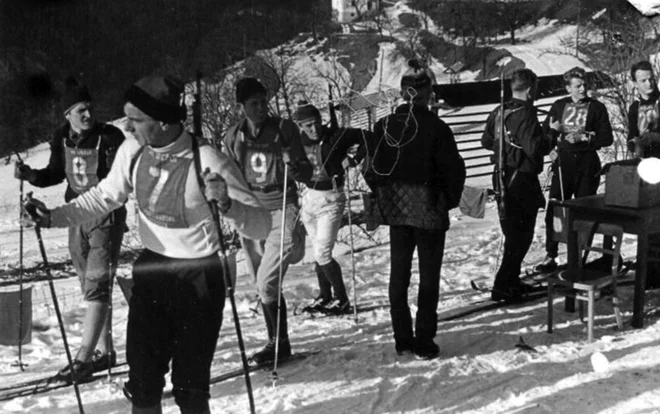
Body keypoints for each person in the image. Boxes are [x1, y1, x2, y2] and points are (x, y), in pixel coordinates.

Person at [23, 75, 271, 414]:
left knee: (190, 388)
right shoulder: (133, 149)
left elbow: (261, 224)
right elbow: (103, 197)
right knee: (142, 383)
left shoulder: (208, 160)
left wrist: (228, 205)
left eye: (136, 119)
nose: (127, 125)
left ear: (164, 121)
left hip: (199, 278)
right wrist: (51, 217)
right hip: (153, 272)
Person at [15, 76, 126, 381]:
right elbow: (54, 172)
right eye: (81, 111)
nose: (88, 115)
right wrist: (31, 176)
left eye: (90, 108)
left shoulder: (111, 137)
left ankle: (85, 358)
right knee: (87, 285)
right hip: (75, 216)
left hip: (105, 215)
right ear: (67, 115)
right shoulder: (61, 137)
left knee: (97, 283)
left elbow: (122, 178)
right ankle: (106, 351)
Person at [364, 66, 465, 359]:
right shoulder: (437, 127)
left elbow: (373, 169)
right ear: (428, 93)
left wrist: (386, 195)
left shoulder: (384, 127)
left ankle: (402, 338)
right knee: (428, 276)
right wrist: (447, 200)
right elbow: (454, 170)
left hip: (397, 210)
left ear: (401, 93)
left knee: (399, 275)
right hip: (430, 209)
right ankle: (424, 339)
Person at [222, 78, 312, 364]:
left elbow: (306, 172)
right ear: (241, 107)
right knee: (264, 284)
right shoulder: (233, 135)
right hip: (251, 213)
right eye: (254, 103)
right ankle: (277, 341)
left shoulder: (284, 129)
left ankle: (277, 343)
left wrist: (295, 165)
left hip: (282, 206)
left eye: (264, 101)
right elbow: (230, 175)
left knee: (266, 280)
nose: (261, 107)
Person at [481, 68, 553, 302]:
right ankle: (503, 284)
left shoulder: (499, 110)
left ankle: (509, 280)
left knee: (513, 232)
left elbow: (486, 141)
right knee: (521, 235)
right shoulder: (525, 113)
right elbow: (534, 148)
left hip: (502, 175)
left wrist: (506, 149)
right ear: (531, 89)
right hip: (521, 178)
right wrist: (551, 135)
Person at [292, 100, 367, 315]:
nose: (314, 129)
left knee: (323, 253)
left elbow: (366, 137)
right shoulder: (298, 142)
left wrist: (353, 158)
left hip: (332, 198)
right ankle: (325, 297)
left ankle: (342, 300)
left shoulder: (336, 135)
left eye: (316, 123)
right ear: (301, 126)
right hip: (309, 198)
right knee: (318, 253)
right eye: (308, 126)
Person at [535, 66, 613, 272]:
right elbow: (546, 132)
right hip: (564, 163)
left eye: (585, 84)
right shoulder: (559, 106)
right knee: (556, 208)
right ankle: (550, 255)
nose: (582, 89)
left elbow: (607, 137)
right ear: (568, 87)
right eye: (578, 86)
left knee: (582, 211)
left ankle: (577, 254)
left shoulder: (597, 107)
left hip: (587, 164)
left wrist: (585, 137)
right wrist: (550, 148)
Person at [627, 60, 660, 289]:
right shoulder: (634, 107)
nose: (649, 83)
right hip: (646, 167)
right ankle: (650, 274)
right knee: (648, 222)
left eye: (651, 78)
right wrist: (635, 143)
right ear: (635, 83)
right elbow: (631, 136)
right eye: (643, 80)